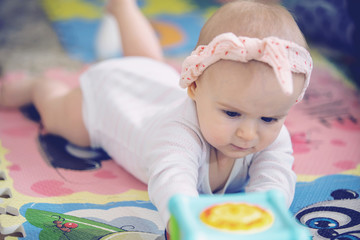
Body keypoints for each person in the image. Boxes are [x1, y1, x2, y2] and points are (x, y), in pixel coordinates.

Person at [0, 0, 313, 237]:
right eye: (232, 113)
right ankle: (39, 87)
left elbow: (276, 178)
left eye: (270, 119)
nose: (248, 133)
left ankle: (123, 8)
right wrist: (187, 220)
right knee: (62, 121)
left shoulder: (270, 132)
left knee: (151, 66)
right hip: (108, 101)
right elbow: (172, 180)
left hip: (155, 84)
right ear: (193, 87)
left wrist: (265, 214)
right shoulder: (177, 135)